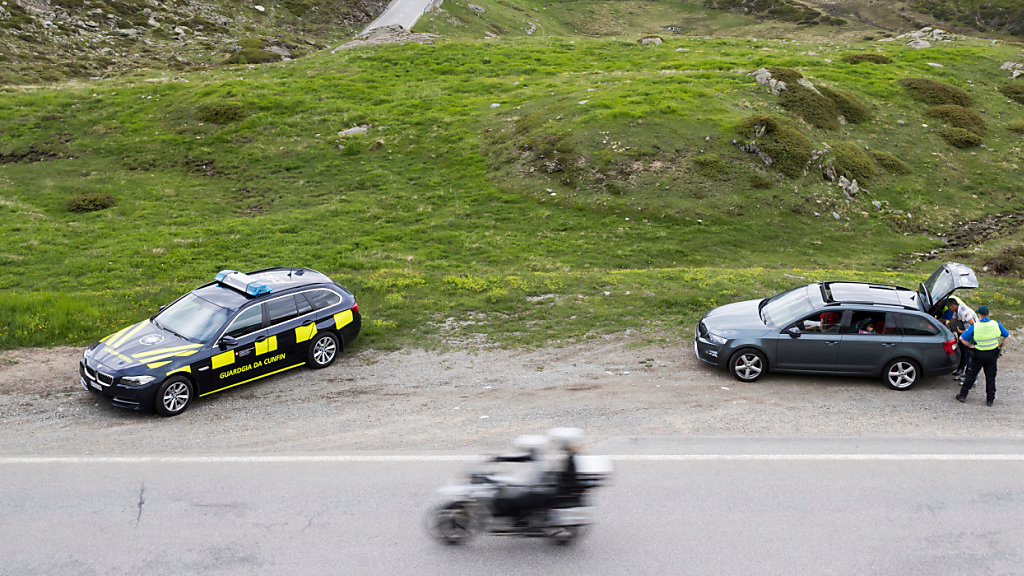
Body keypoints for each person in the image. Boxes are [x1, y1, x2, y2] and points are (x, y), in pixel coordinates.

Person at [956, 305, 1011, 406]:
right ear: (988, 314)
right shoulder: (996, 324)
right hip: (992, 354)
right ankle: (990, 400)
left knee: (971, 375)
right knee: (990, 377)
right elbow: (1008, 336)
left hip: (979, 354)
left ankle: (963, 395)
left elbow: (962, 338)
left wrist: (970, 346)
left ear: (979, 315)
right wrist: (1001, 346)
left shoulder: (975, 326)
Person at [946, 299, 978, 379]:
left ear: (952, 306)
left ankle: (968, 375)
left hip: (970, 333)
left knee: (968, 354)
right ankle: (960, 369)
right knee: (962, 351)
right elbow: (952, 321)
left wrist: (962, 331)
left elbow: (973, 325)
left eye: (948, 307)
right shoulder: (956, 311)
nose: (948, 309)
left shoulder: (964, 311)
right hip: (964, 333)